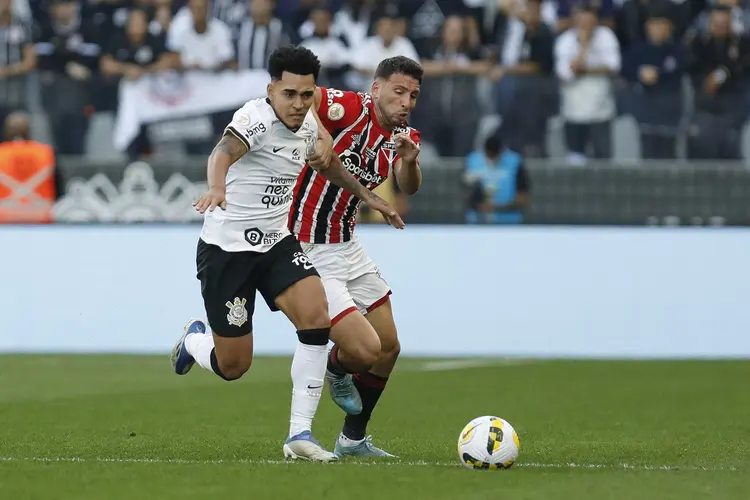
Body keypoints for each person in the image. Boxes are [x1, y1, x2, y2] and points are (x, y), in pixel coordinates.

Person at [169, 45, 402, 462]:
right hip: (228, 251)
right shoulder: (254, 119)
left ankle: (300, 435)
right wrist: (218, 187)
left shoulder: (308, 124)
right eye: (289, 94)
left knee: (316, 318)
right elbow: (221, 152)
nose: (298, 104)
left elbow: (326, 165)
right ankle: (195, 342)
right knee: (234, 365)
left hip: (278, 243)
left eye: (306, 95)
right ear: (271, 89)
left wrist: (370, 197)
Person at [287, 56, 423, 458]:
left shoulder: (405, 135)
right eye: (398, 91)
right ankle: (336, 367)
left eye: (413, 95)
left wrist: (411, 160)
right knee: (364, 351)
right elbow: (303, 98)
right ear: (376, 88)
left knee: (389, 347)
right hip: (308, 245)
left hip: (347, 243)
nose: (406, 102)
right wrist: (319, 136)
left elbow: (408, 186)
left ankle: (352, 441)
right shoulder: (347, 107)